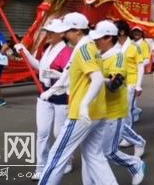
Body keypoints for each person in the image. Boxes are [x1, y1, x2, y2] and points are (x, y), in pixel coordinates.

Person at [38, 12, 116, 185]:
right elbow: (69, 74)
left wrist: (83, 106)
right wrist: (50, 92)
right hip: (96, 113)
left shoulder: (84, 49)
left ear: (78, 31)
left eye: (67, 31)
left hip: (82, 115)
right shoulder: (88, 48)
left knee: (56, 157)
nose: (64, 35)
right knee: (95, 158)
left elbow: (96, 79)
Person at [14, 19, 73, 180]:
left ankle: (66, 161)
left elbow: (67, 78)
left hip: (61, 96)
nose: (47, 35)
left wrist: (52, 74)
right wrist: (24, 52)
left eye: (51, 32)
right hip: (44, 94)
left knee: (58, 132)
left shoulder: (68, 51)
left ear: (61, 34)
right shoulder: (48, 49)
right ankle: (41, 166)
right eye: (47, 32)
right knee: (42, 132)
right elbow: (40, 68)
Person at [90, 20, 145, 185]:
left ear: (108, 38)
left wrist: (100, 79)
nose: (95, 41)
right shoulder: (98, 54)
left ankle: (135, 164)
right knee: (94, 152)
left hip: (113, 111)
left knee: (109, 151)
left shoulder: (118, 56)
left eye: (99, 38)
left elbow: (115, 84)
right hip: (98, 110)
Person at [115, 21, 146, 158]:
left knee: (126, 112)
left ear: (121, 32)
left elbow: (140, 66)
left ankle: (130, 138)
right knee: (116, 114)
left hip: (130, 83)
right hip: (115, 83)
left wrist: (138, 85)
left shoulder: (134, 47)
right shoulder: (113, 46)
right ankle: (123, 136)